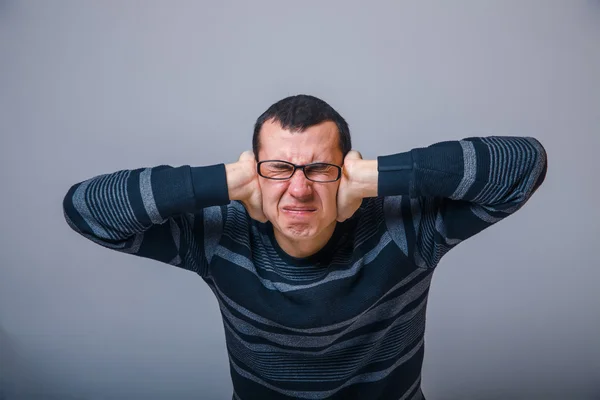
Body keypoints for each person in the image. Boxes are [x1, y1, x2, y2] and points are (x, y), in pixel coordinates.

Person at [63, 94, 548, 400]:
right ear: (253, 172)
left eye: (319, 169)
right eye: (277, 168)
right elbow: (85, 209)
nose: (298, 189)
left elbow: (523, 165)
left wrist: (376, 178)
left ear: (348, 172)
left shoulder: (405, 225)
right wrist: (224, 181)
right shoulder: (219, 234)